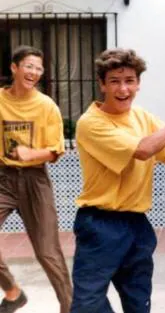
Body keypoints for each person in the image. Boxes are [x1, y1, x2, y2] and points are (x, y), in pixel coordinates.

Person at [70, 48, 165, 313]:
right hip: (100, 224)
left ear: (138, 83)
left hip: (138, 225)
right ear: (102, 84)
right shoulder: (90, 122)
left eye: (129, 80)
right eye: (115, 81)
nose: (123, 89)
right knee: (87, 305)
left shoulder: (141, 117)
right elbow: (143, 149)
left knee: (139, 305)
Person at [0, 46, 72, 313]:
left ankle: (69, 307)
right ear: (14, 68)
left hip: (34, 180)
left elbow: (55, 151)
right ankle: (13, 292)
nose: (34, 72)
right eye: (29, 66)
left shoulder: (45, 106)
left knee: (47, 251)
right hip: (3, 178)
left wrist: (30, 153)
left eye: (38, 68)